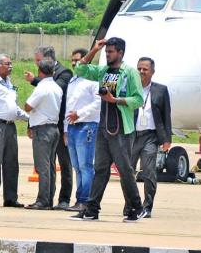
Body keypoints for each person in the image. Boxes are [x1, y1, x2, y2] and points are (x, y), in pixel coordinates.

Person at [70, 37, 145, 222]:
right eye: (106, 51)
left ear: (120, 53)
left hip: (121, 128)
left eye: (110, 52)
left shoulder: (129, 72)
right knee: (100, 169)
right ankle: (92, 209)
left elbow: (138, 100)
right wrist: (94, 50)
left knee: (125, 170)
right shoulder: (104, 70)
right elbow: (80, 69)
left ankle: (136, 207)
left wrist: (116, 100)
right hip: (103, 127)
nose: (107, 54)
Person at [24, 46, 73, 210]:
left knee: (43, 166)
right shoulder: (56, 87)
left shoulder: (44, 86)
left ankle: (43, 200)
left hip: (43, 130)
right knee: (50, 166)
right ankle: (48, 199)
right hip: (54, 128)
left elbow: (28, 106)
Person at [126, 57, 171, 219]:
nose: (141, 72)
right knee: (128, 172)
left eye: (145, 69)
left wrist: (167, 139)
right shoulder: (130, 88)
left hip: (150, 136)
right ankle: (130, 205)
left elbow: (167, 115)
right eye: (139, 68)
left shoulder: (161, 90)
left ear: (152, 72)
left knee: (149, 172)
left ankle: (147, 207)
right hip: (131, 136)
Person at [0, 54, 29, 208]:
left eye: (11, 63)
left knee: (11, 162)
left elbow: (14, 107)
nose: (10, 66)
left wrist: (29, 119)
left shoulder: (9, 83)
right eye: (7, 64)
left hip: (11, 126)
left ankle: (11, 198)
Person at [64, 48, 101, 212]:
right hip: (72, 128)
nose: (74, 63)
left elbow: (99, 103)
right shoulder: (73, 81)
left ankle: (85, 200)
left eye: (78, 60)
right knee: (77, 166)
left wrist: (80, 114)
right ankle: (79, 199)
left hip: (87, 126)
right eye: (72, 60)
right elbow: (68, 107)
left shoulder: (93, 81)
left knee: (86, 166)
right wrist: (66, 129)